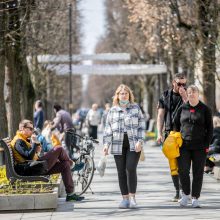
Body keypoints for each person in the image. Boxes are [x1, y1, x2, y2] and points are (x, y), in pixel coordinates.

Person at [10, 119, 84, 202]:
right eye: (30, 129)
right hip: (31, 169)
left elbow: (30, 155)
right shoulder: (18, 141)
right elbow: (28, 156)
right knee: (59, 148)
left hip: (35, 166)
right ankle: (73, 165)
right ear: (23, 129)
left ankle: (71, 195)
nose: (32, 131)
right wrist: (34, 143)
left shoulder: (23, 139)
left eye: (32, 129)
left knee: (65, 164)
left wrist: (36, 148)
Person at [103, 84, 145, 209]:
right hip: (117, 144)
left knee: (130, 168)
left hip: (133, 143)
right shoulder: (113, 110)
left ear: (129, 95)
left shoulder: (135, 108)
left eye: (126, 93)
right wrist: (106, 145)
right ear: (117, 95)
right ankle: (125, 199)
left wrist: (140, 141)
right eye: (121, 93)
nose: (124, 95)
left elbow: (142, 126)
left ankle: (132, 198)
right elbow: (108, 129)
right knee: (121, 172)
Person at [173, 85, 213, 208]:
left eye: (194, 92)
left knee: (198, 172)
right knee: (183, 171)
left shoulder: (205, 109)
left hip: (200, 147)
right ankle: (185, 195)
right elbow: (175, 124)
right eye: (189, 92)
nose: (191, 94)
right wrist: (175, 139)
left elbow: (210, 129)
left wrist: (207, 145)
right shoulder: (182, 108)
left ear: (198, 94)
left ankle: (195, 197)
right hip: (183, 146)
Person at [157, 73, 188, 202]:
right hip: (170, 134)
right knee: (173, 164)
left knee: (184, 164)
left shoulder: (188, 94)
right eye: (179, 83)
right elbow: (160, 116)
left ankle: (184, 191)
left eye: (184, 84)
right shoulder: (165, 95)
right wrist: (159, 133)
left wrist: (185, 96)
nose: (182, 86)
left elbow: (192, 108)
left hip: (185, 134)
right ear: (173, 83)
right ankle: (177, 191)